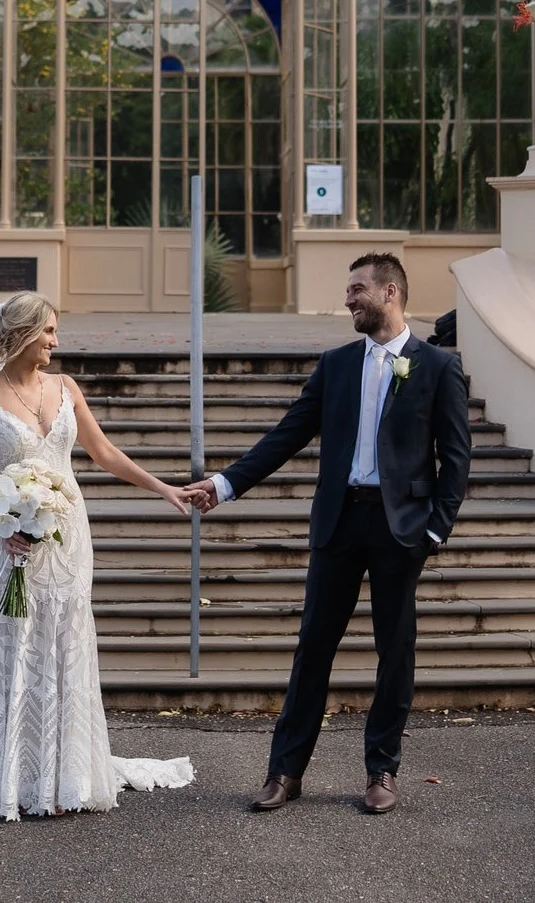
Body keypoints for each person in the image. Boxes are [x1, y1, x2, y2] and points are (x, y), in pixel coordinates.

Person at [0, 292, 202, 819]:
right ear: (24, 333)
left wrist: (164, 488)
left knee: (68, 641)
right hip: (13, 542)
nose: (56, 341)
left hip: (71, 538)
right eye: (48, 331)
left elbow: (103, 453)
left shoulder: (65, 387)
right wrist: (3, 525)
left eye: (55, 331)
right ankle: (15, 777)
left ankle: (66, 777)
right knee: (18, 643)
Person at [188, 252, 472, 815]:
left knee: (396, 653)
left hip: (401, 529)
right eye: (348, 290)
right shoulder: (337, 364)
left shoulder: (437, 367)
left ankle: (382, 771)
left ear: (390, 292)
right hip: (338, 523)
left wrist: (435, 531)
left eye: (358, 289)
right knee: (313, 648)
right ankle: (285, 773)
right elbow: (286, 435)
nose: (348, 299)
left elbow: (456, 458)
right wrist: (224, 484)